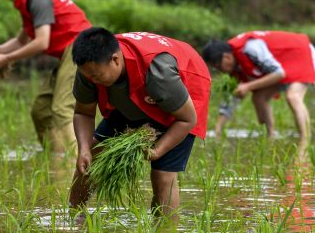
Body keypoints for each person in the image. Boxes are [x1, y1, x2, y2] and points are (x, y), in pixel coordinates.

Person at [68, 28, 211, 216]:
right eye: (89, 76)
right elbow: (83, 113)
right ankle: (72, 220)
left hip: (180, 100)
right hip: (136, 95)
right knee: (91, 157)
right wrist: (83, 149)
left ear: (115, 60)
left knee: (163, 176)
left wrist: (157, 151)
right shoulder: (89, 70)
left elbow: (187, 119)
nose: (92, 80)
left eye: (97, 76)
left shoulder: (159, 74)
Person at [0, 0, 91, 153]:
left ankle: (77, 163)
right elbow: (20, 41)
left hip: (80, 47)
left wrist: (7, 59)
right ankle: (55, 159)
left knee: (62, 110)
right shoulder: (27, 1)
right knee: (41, 111)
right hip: (68, 53)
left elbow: (41, 42)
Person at [202, 30, 315, 152]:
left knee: (293, 96)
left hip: (303, 53)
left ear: (227, 57)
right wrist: (218, 129)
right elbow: (233, 98)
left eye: (218, 66)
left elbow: (279, 73)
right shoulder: (234, 67)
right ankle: (270, 137)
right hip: (284, 65)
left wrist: (248, 86)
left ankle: (305, 141)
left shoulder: (250, 48)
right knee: (259, 98)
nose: (220, 71)